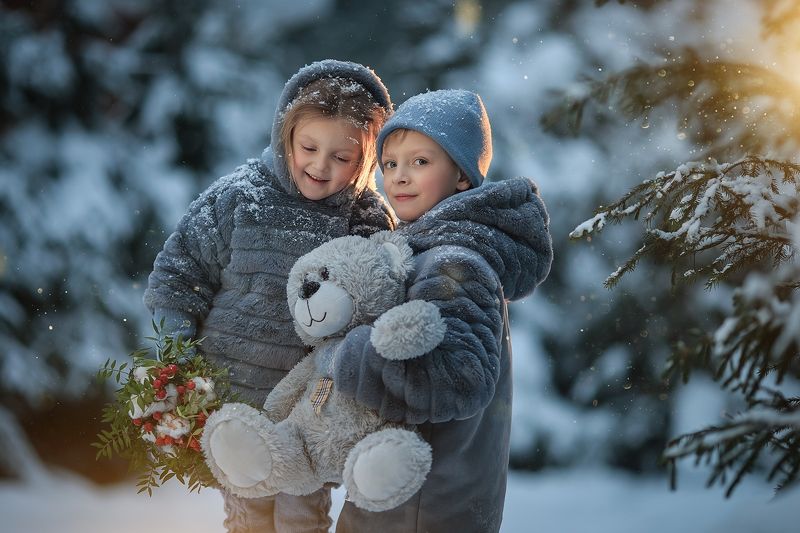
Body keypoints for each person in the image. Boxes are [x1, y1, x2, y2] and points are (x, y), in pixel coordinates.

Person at [143, 59, 395, 533]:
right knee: (250, 516)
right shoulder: (239, 197)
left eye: (342, 158)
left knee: (302, 517)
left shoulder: (366, 219)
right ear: (286, 134)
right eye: (308, 147)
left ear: (365, 161)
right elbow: (178, 276)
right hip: (235, 398)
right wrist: (176, 360)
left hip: (313, 408)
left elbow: (377, 301)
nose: (320, 166)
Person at [327, 89, 553, 532]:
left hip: (420, 506)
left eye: (420, 162)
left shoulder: (455, 263)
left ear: (463, 177)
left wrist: (350, 358)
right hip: (419, 496)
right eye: (390, 164)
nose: (399, 177)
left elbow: (457, 380)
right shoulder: (437, 250)